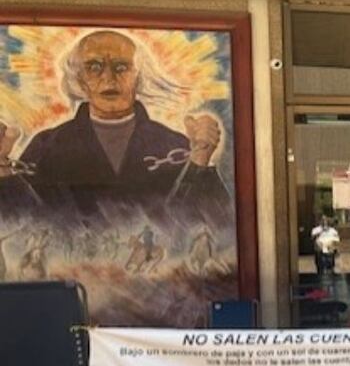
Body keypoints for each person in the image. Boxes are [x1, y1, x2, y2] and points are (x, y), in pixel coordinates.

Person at [0, 30, 231, 224]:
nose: (109, 78)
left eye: (121, 67)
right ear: (79, 79)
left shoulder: (175, 145)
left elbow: (218, 226)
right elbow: (19, 224)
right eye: (94, 67)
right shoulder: (46, 146)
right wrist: (3, 171)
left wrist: (200, 159)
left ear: (138, 77)